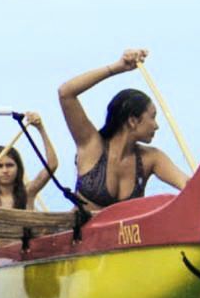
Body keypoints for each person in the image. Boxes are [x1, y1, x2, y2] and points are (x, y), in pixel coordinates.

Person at [57, 48, 189, 209]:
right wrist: (118, 67)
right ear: (133, 120)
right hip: (78, 233)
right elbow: (66, 93)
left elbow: (187, 184)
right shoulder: (91, 144)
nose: (156, 126)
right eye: (152, 117)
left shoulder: (152, 158)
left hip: (125, 234)